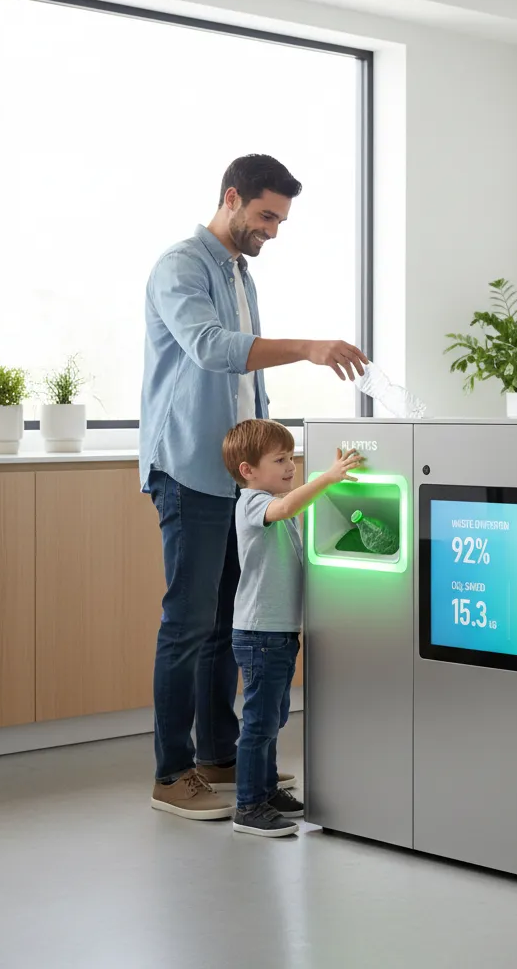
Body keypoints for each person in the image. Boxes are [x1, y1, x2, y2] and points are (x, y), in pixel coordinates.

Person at [142, 154, 367, 820]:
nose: (272, 230)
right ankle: (170, 772)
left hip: (235, 477)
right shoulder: (181, 266)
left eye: (280, 220)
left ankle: (219, 753)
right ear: (233, 198)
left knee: (223, 624)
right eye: (266, 215)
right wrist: (307, 347)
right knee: (187, 624)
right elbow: (213, 348)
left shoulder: (240, 274)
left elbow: (245, 378)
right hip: (188, 468)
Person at [222, 420, 363, 837]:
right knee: (260, 722)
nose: (290, 467)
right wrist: (328, 479)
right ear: (248, 470)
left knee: (275, 716)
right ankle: (248, 807)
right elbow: (286, 507)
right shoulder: (253, 503)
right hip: (259, 634)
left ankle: (265, 791)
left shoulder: (277, 504)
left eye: (291, 458)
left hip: (278, 633)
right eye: (280, 460)